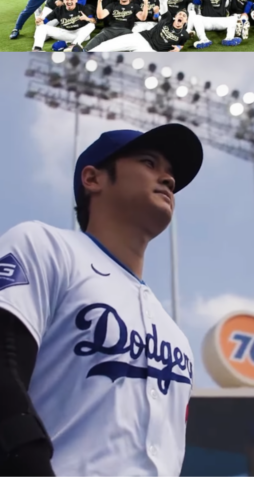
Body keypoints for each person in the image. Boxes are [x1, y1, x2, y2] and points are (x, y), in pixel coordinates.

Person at [0, 124, 203, 475]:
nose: (168, 179)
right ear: (93, 178)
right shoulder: (45, 246)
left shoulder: (177, 339)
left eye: (171, 174)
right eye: (148, 162)